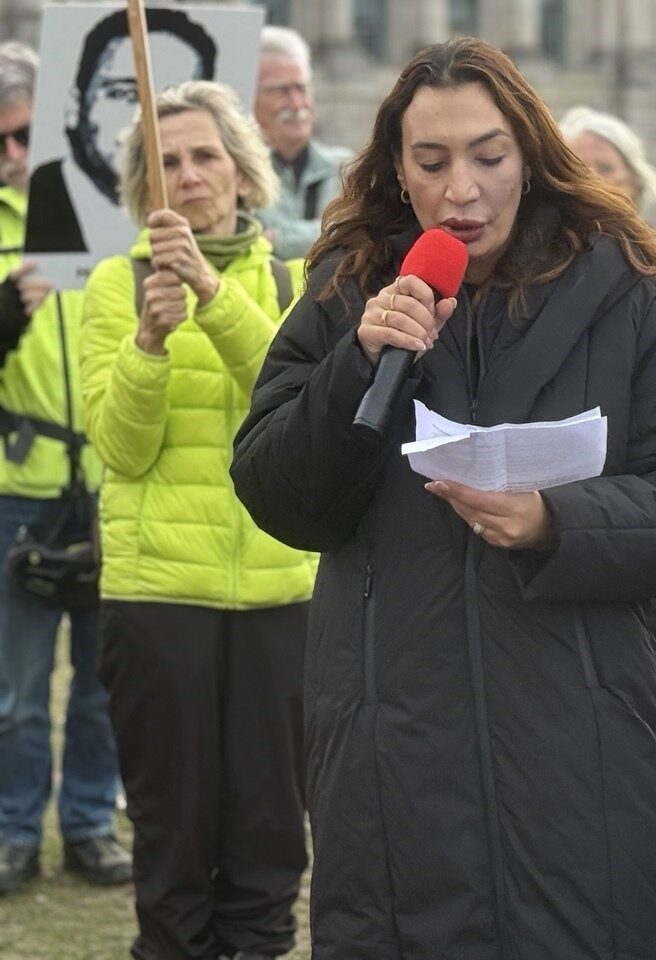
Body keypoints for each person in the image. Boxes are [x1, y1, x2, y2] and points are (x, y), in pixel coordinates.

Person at [229, 38, 656, 960]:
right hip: (395, 753)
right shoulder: (348, 290)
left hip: (582, 743)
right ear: (397, 168)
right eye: (431, 163)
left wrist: (561, 523)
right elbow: (277, 495)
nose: (460, 190)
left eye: (487, 157)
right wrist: (355, 365)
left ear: (530, 157)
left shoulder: (621, 292)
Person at [80, 80, 313, 960]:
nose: (190, 174)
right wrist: (145, 345)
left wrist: (213, 294)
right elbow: (119, 448)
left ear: (243, 170)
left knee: (268, 841)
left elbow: (290, 407)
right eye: (167, 162)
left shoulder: (293, 278)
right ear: (147, 187)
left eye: (205, 155)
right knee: (172, 841)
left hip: (279, 596)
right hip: (158, 602)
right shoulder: (116, 284)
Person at [0, 40, 127, 897]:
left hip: (113, 482)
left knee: (101, 686)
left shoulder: (109, 213)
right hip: (18, 488)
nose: (10, 156)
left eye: (20, 136)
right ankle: (13, 829)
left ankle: (88, 821)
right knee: (13, 691)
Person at [25, 7, 216, 255]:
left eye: (172, 101)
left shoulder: (215, 216)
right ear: (74, 107)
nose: (146, 116)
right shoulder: (32, 202)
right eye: (124, 93)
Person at [253, 25, 350, 260]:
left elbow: (353, 233)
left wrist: (278, 240)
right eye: (280, 91)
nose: (297, 104)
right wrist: (330, 231)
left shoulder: (348, 167)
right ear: (250, 98)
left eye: (301, 88)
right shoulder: (241, 175)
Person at [560, 105, 656, 263]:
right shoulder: (544, 256)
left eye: (605, 168)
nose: (591, 180)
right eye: (576, 169)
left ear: (635, 179)